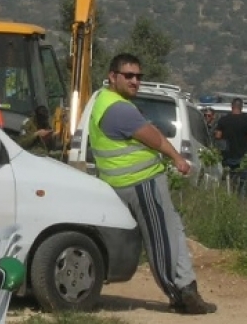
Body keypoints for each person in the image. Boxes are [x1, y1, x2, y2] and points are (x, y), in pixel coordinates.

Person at [89, 53, 216, 315]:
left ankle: (185, 288)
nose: (135, 81)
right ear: (113, 77)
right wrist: (177, 158)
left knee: (171, 231)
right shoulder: (120, 109)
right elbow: (154, 138)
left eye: (138, 76)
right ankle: (181, 293)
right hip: (141, 182)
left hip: (122, 181)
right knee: (162, 239)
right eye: (129, 76)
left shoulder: (103, 101)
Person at [214, 98, 247, 196]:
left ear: (232, 106)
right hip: (242, 157)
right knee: (242, 183)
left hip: (227, 156)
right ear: (241, 107)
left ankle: (228, 198)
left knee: (228, 181)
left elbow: (218, 136)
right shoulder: (246, 121)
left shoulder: (223, 120)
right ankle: (241, 202)